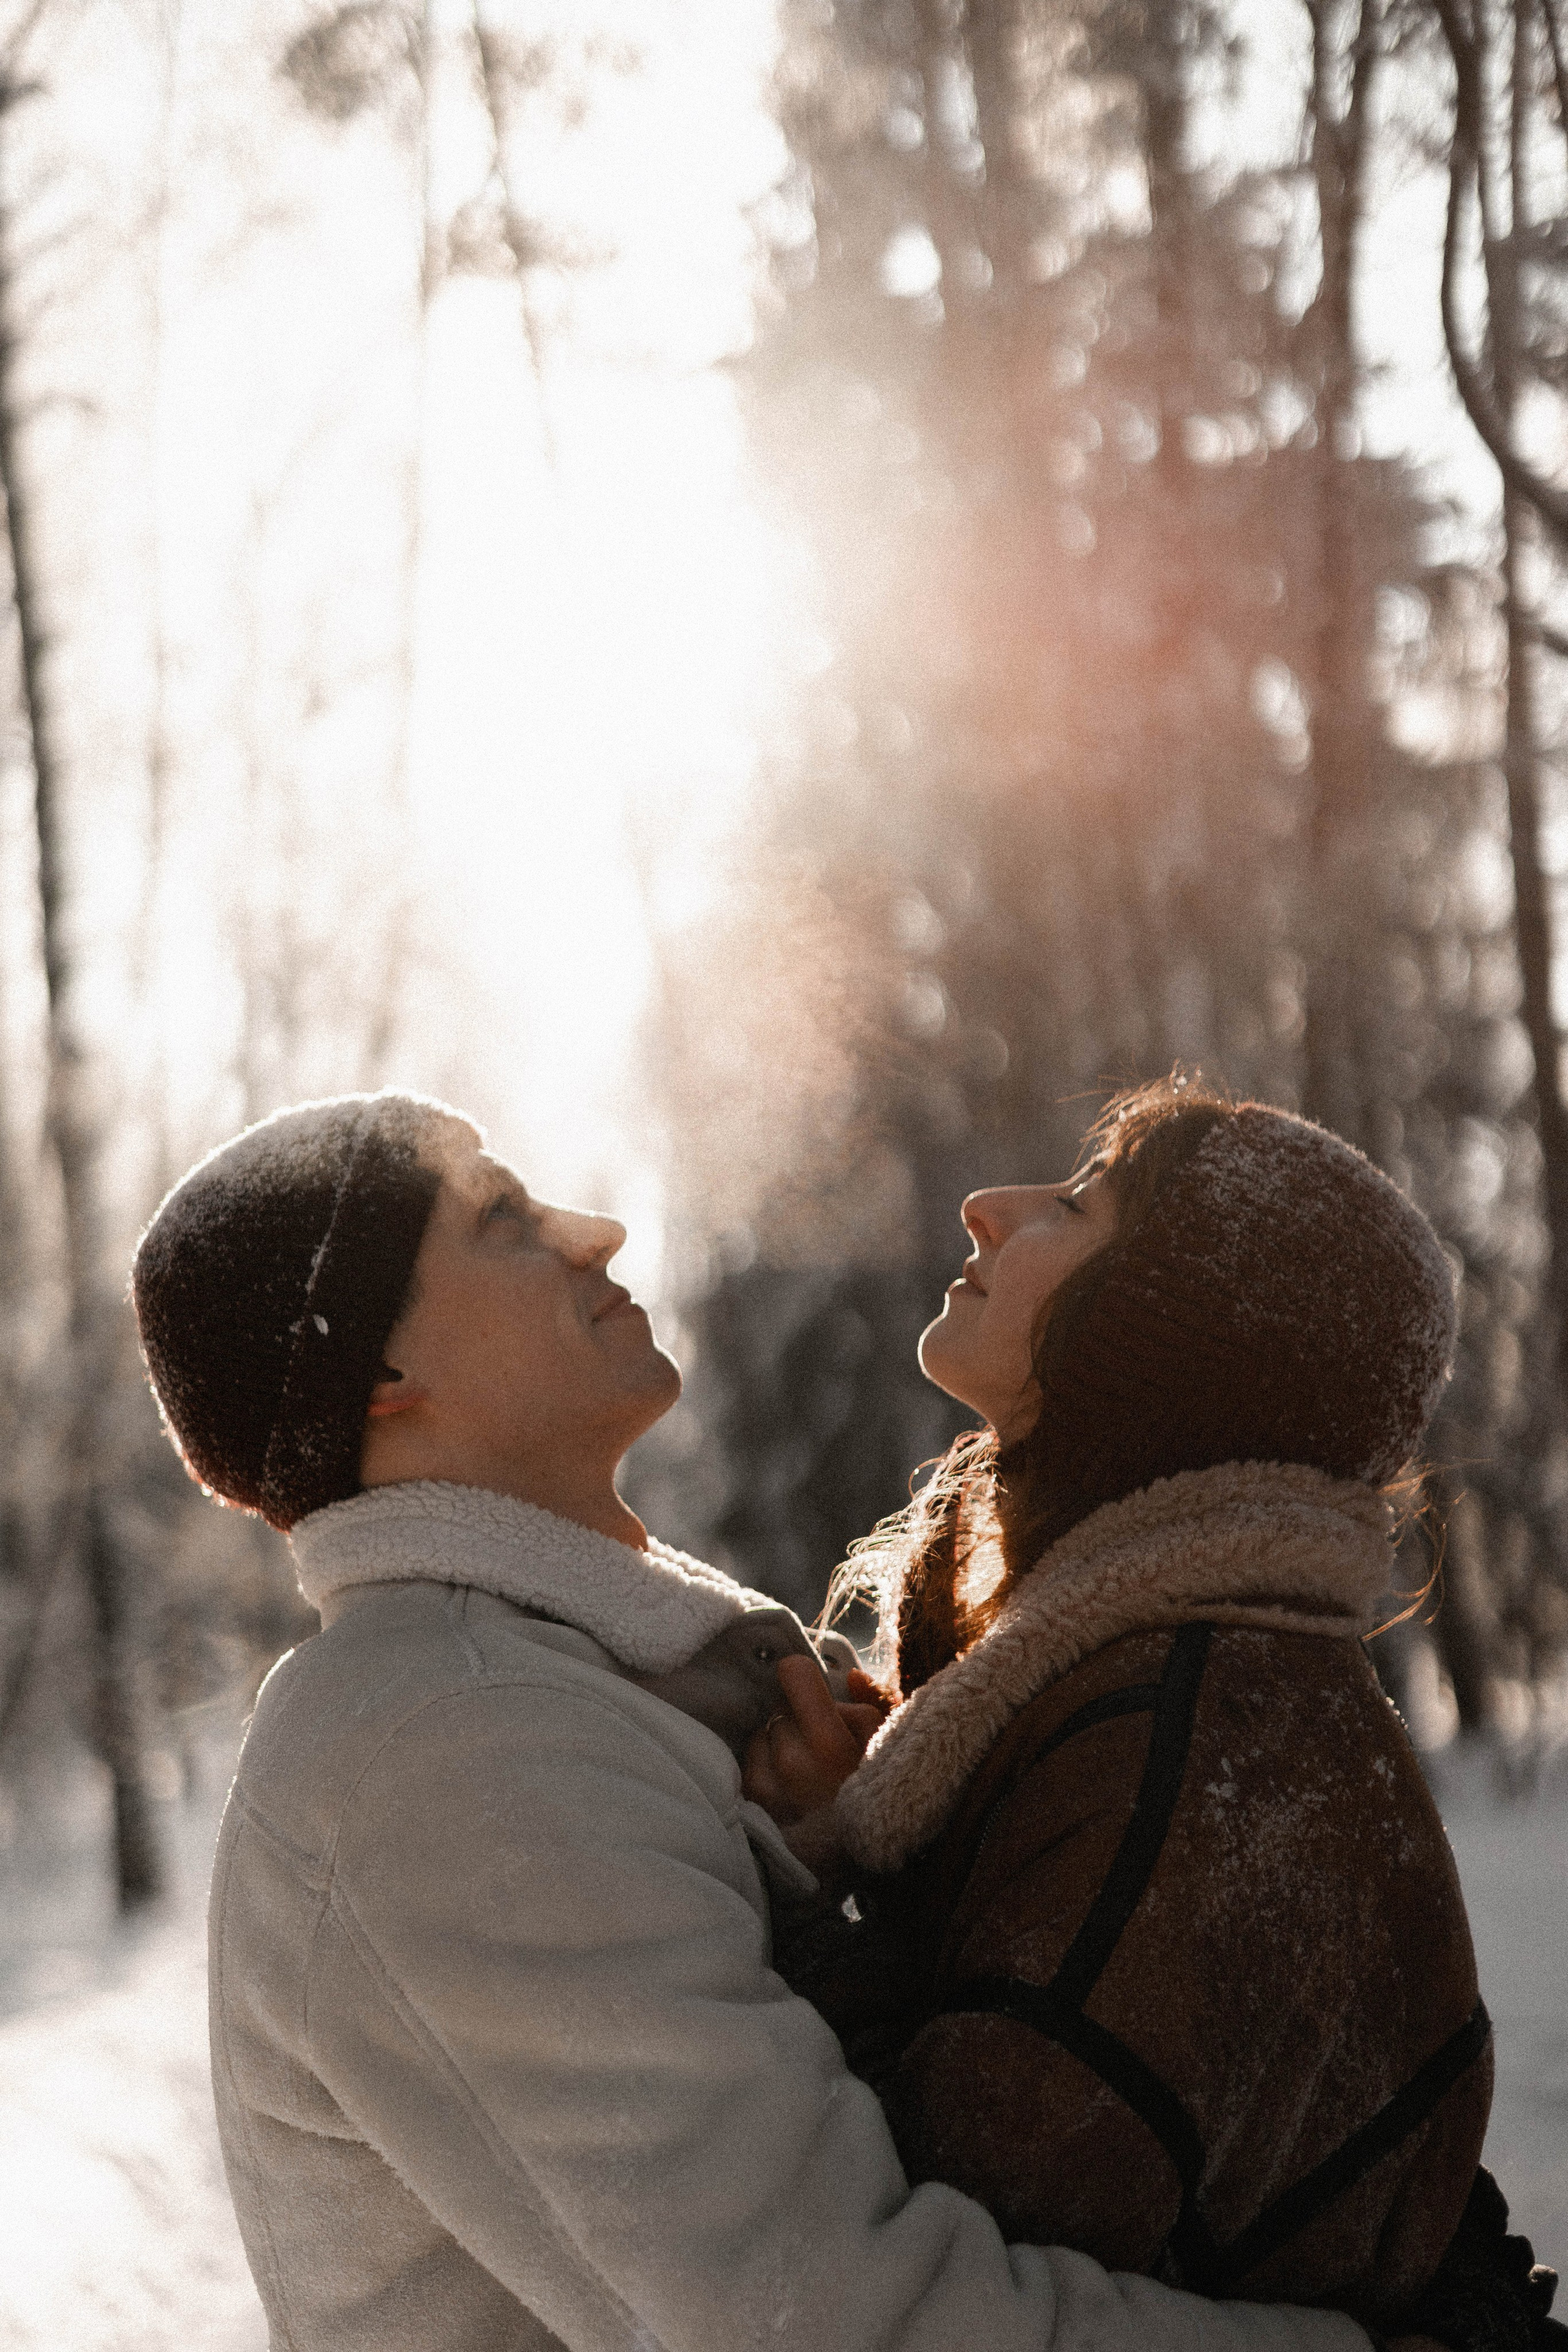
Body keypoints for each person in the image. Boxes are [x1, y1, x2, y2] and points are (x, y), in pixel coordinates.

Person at [130, 1085, 1423, 2352]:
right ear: (382, 1372)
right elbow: (836, 2320)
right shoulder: (453, 1749)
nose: (596, 1233)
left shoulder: (589, 1688)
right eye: (505, 1223)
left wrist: (817, 1868)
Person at [743, 1076, 1520, 2336]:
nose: (984, 1207)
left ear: (1173, 1335)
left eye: (1075, 1203)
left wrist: (815, 1895)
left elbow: (949, 2263)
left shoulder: (1196, 1738)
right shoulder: (1164, 1674)